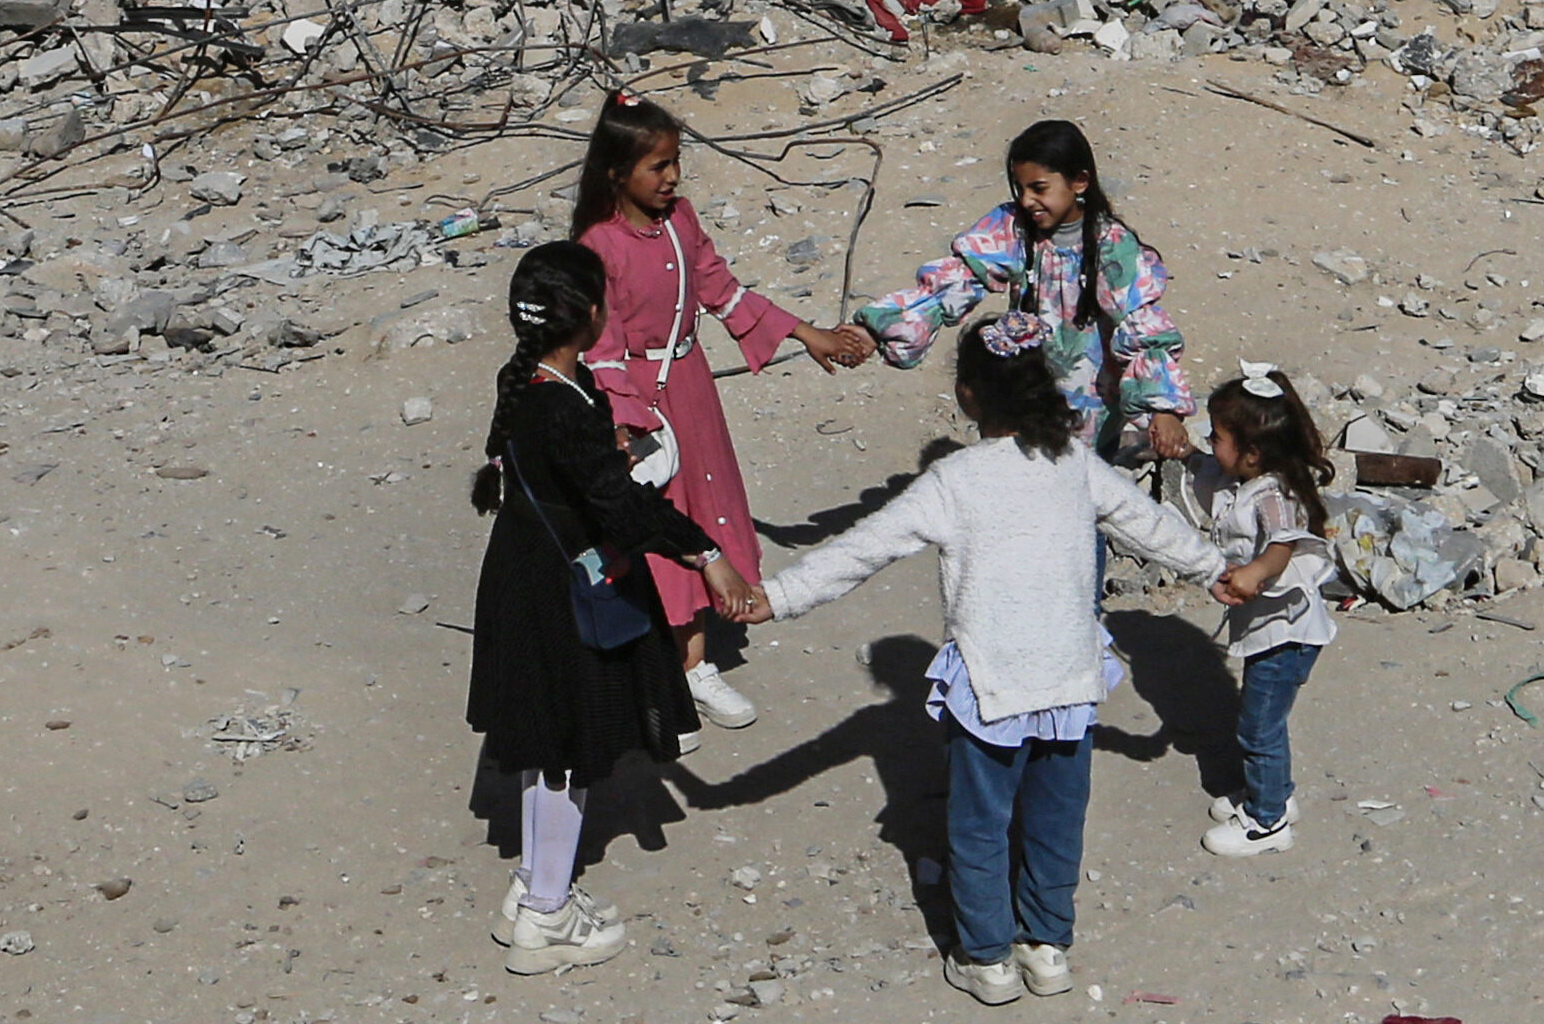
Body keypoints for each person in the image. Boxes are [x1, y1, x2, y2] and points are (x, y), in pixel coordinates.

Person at [761, 313, 1227, 1006]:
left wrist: (773, 598)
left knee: (980, 825)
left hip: (990, 686)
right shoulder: (1075, 464)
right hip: (1068, 683)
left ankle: (988, 959)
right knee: (1056, 821)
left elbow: (859, 551)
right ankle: (1048, 946)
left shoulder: (953, 479)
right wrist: (1217, 569)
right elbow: (1149, 525)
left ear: (968, 395)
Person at [468, 238, 774, 979]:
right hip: (562, 598)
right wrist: (706, 555)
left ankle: (533, 888)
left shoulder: (530, 385)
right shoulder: (565, 405)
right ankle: (547, 915)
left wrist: (606, 458)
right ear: (590, 315)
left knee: (546, 747)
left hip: (521, 583)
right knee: (568, 754)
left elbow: (572, 476)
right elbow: (620, 506)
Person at [570, 89, 872, 737]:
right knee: (662, 519)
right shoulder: (598, 247)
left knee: (702, 507)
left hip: (692, 389)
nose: (672, 177)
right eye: (657, 166)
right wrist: (624, 423)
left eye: (675, 162)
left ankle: (691, 660)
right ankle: (679, 668)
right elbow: (601, 347)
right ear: (616, 173)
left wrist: (806, 334)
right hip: (640, 402)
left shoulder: (680, 221)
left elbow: (722, 290)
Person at [852, 120, 1192, 467]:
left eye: (1039, 188)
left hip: (1090, 403)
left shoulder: (1112, 246)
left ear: (1079, 182)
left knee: (1078, 474)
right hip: (1025, 385)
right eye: (1020, 188)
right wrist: (876, 330)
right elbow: (954, 281)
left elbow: (1140, 325)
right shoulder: (1012, 228)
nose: (1027, 200)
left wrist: (1162, 410)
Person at [1195, 364, 1340, 856]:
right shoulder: (1245, 481)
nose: (1209, 443)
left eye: (1217, 437)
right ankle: (1275, 791)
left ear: (1252, 453)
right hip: (1271, 629)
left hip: (1287, 634)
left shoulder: (1274, 495)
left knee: (1258, 727)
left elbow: (1283, 543)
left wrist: (1255, 572)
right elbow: (1206, 472)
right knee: (1263, 720)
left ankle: (1268, 821)